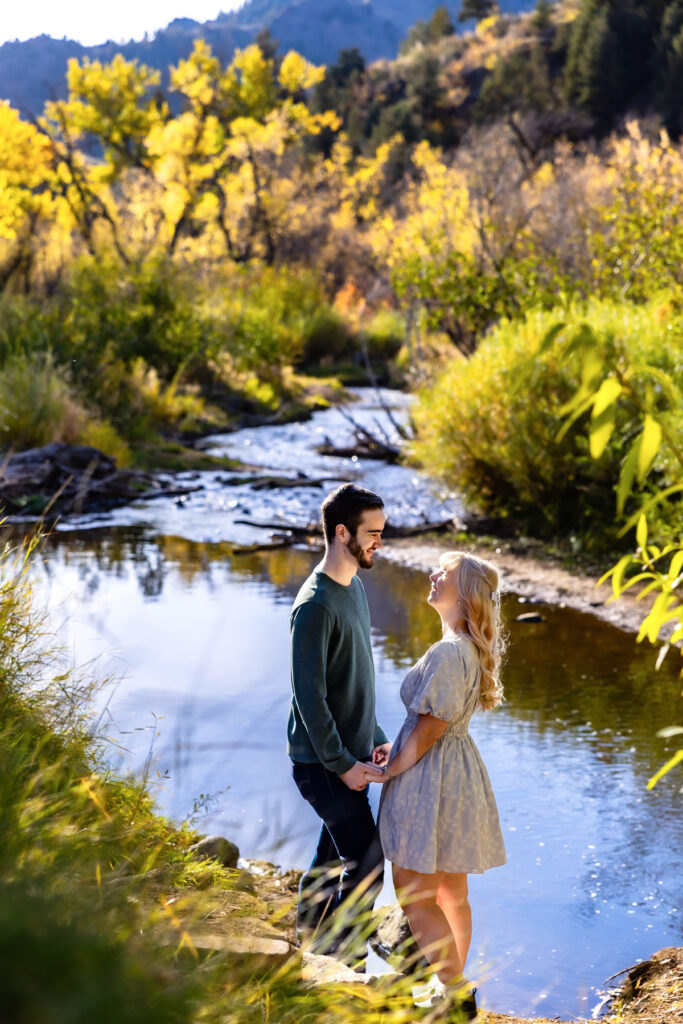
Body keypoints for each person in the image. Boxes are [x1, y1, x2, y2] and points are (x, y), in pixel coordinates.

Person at [374, 551, 507, 1021]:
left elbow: (430, 729)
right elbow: (430, 723)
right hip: (456, 772)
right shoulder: (463, 646)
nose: (432, 575)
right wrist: (394, 748)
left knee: (414, 895)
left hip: (434, 776)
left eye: (443, 573)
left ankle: (456, 989)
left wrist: (390, 771)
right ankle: (451, 989)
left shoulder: (452, 651)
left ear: (464, 591)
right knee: (452, 893)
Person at [287, 483, 391, 963]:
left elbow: (357, 680)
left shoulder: (355, 588)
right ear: (342, 532)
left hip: (348, 758)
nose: (378, 543)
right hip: (321, 764)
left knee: (332, 860)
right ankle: (339, 958)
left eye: (381, 533)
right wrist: (342, 765)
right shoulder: (314, 606)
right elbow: (309, 698)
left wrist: (376, 739)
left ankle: (307, 945)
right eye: (372, 533)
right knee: (368, 861)